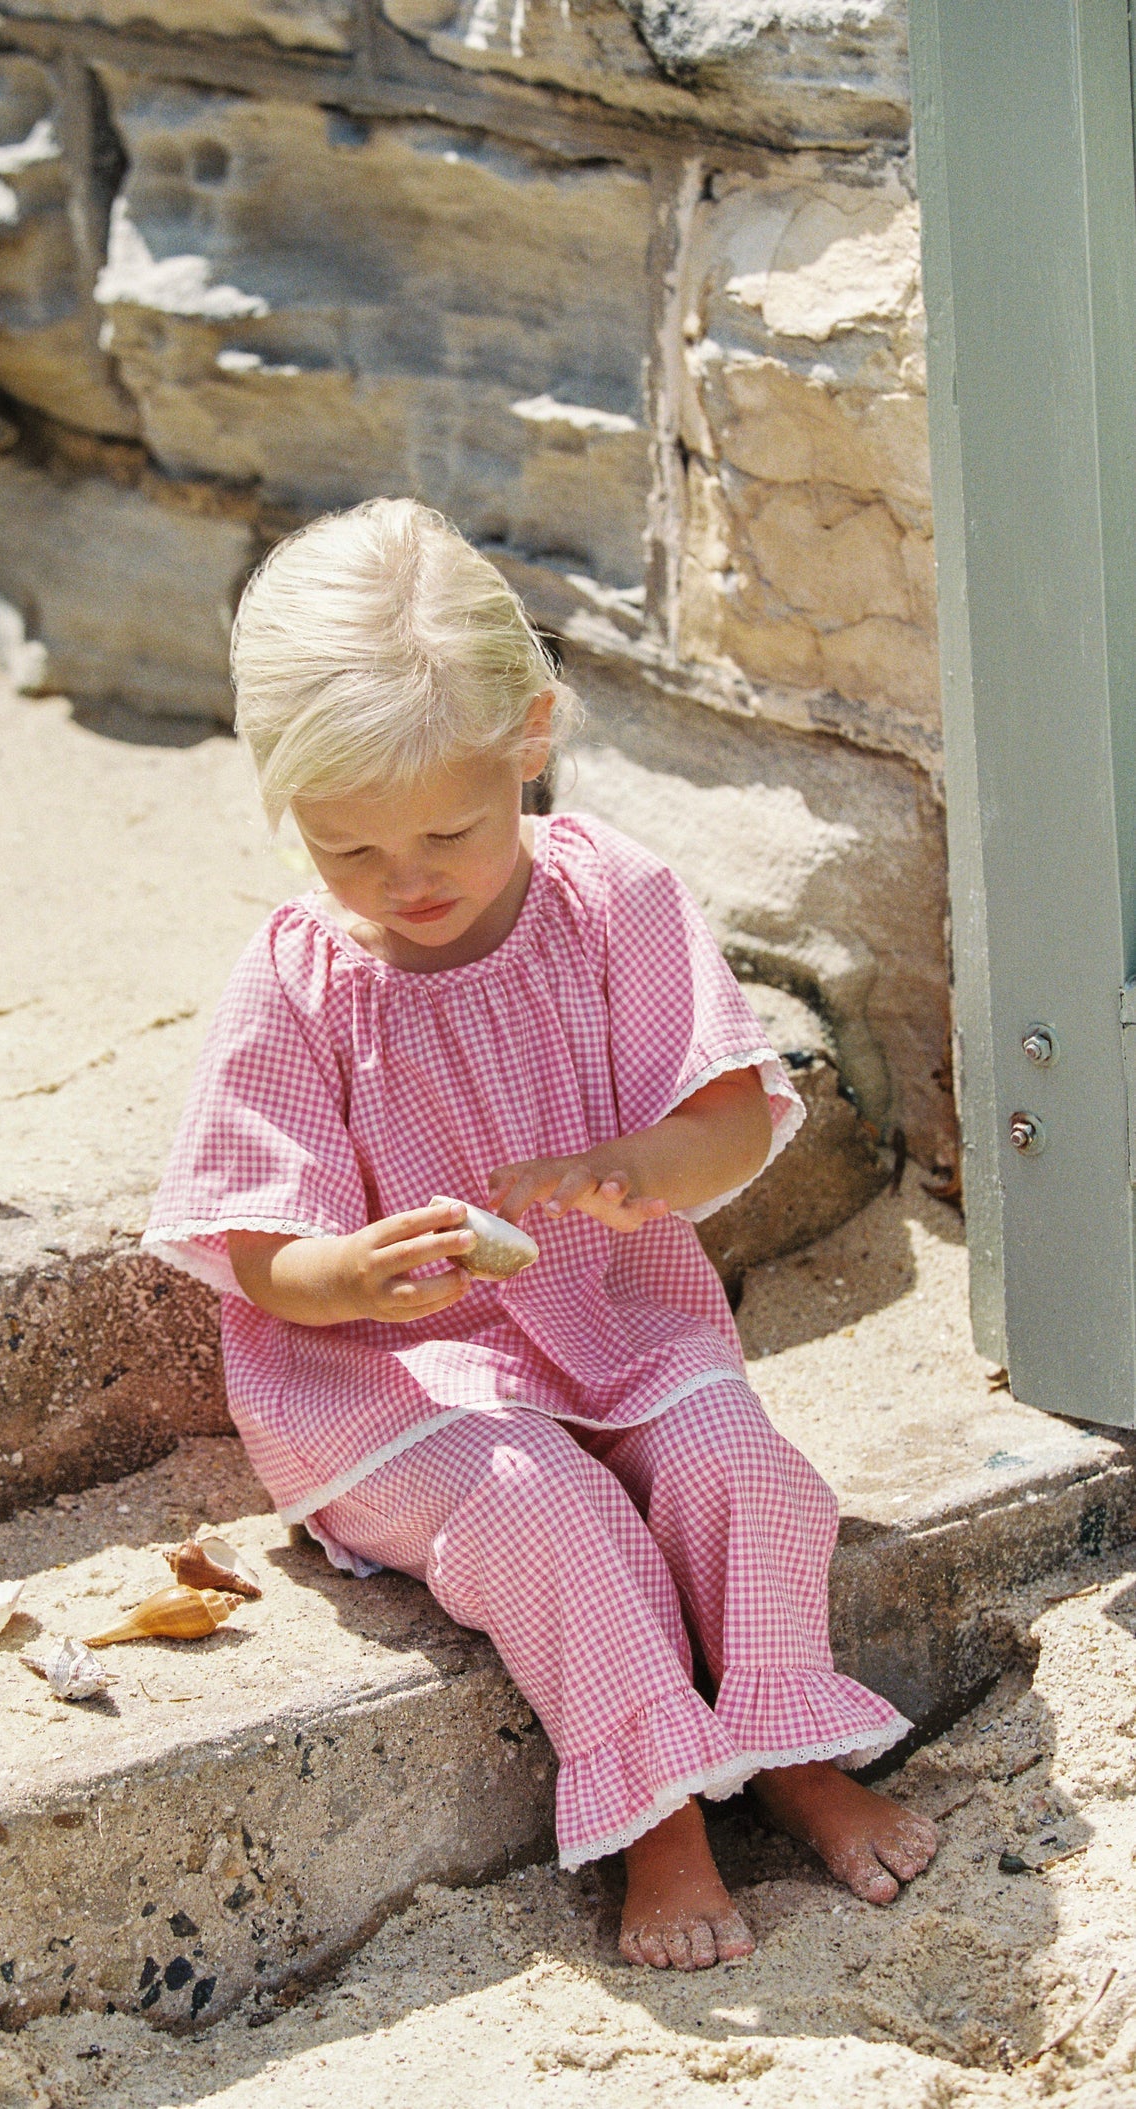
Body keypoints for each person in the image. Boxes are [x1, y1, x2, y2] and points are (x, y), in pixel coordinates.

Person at [145, 498, 938, 1970]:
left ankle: (787, 1736)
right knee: (545, 1509)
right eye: (348, 845)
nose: (407, 878)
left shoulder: (612, 901)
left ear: (531, 733)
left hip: (611, 1312)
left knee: (735, 1462)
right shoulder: (301, 978)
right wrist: (347, 1270)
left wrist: (638, 1168)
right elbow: (261, 1251)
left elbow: (726, 1114)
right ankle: (659, 1821)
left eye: (446, 828)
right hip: (391, 1377)